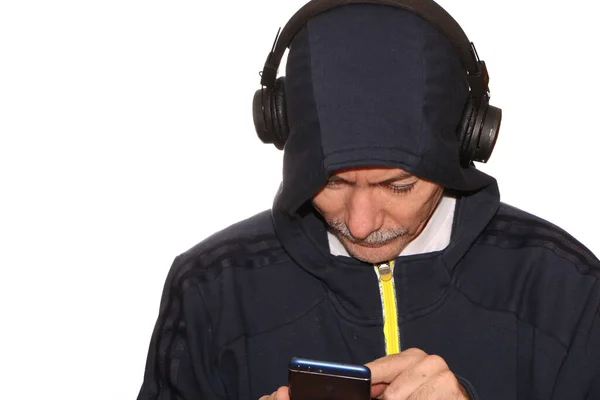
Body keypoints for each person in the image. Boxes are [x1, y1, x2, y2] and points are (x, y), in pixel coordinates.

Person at [137, 0, 600, 399]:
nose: (360, 224)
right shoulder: (210, 290)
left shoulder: (566, 291)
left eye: (397, 186)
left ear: (465, 141)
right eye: (333, 183)